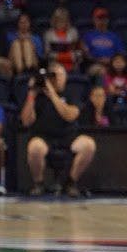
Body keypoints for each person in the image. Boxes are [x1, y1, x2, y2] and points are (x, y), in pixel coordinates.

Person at [21, 62, 97, 197]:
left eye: (61, 75)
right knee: (35, 147)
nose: (59, 79)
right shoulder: (37, 95)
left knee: (88, 145)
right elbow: (26, 121)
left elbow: (69, 116)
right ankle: (39, 183)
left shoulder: (72, 93)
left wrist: (52, 94)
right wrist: (31, 95)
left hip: (68, 136)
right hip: (43, 136)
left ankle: (71, 182)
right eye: (55, 75)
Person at [82, 8, 125, 75]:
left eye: (104, 19)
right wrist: (99, 60)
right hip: (94, 64)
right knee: (100, 70)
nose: (102, 21)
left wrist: (111, 60)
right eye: (99, 18)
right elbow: (86, 55)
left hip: (113, 65)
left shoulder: (114, 36)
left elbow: (120, 53)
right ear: (94, 19)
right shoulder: (88, 36)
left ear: (108, 20)